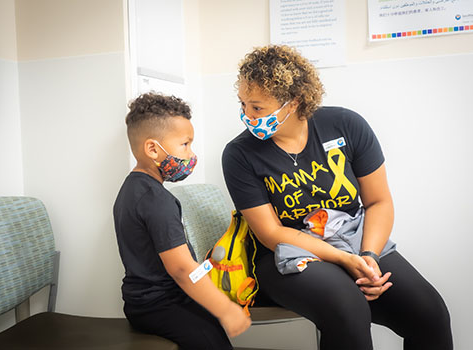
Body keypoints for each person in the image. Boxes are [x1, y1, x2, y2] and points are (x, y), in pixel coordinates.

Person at [222, 45, 453, 350]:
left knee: (430, 314)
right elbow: (271, 232)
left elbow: (378, 202)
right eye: (243, 105)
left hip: (353, 239)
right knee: (348, 308)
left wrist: (368, 256)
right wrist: (345, 260)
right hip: (285, 253)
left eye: (257, 107)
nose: (246, 116)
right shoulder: (239, 154)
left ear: (295, 102)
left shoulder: (346, 125)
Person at [114, 92, 251, 350]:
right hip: (159, 304)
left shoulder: (133, 188)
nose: (190, 154)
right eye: (185, 144)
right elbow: (180, 269)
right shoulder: (155, 200)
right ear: (153, 148)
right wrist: (225, 309)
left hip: (146, 301)